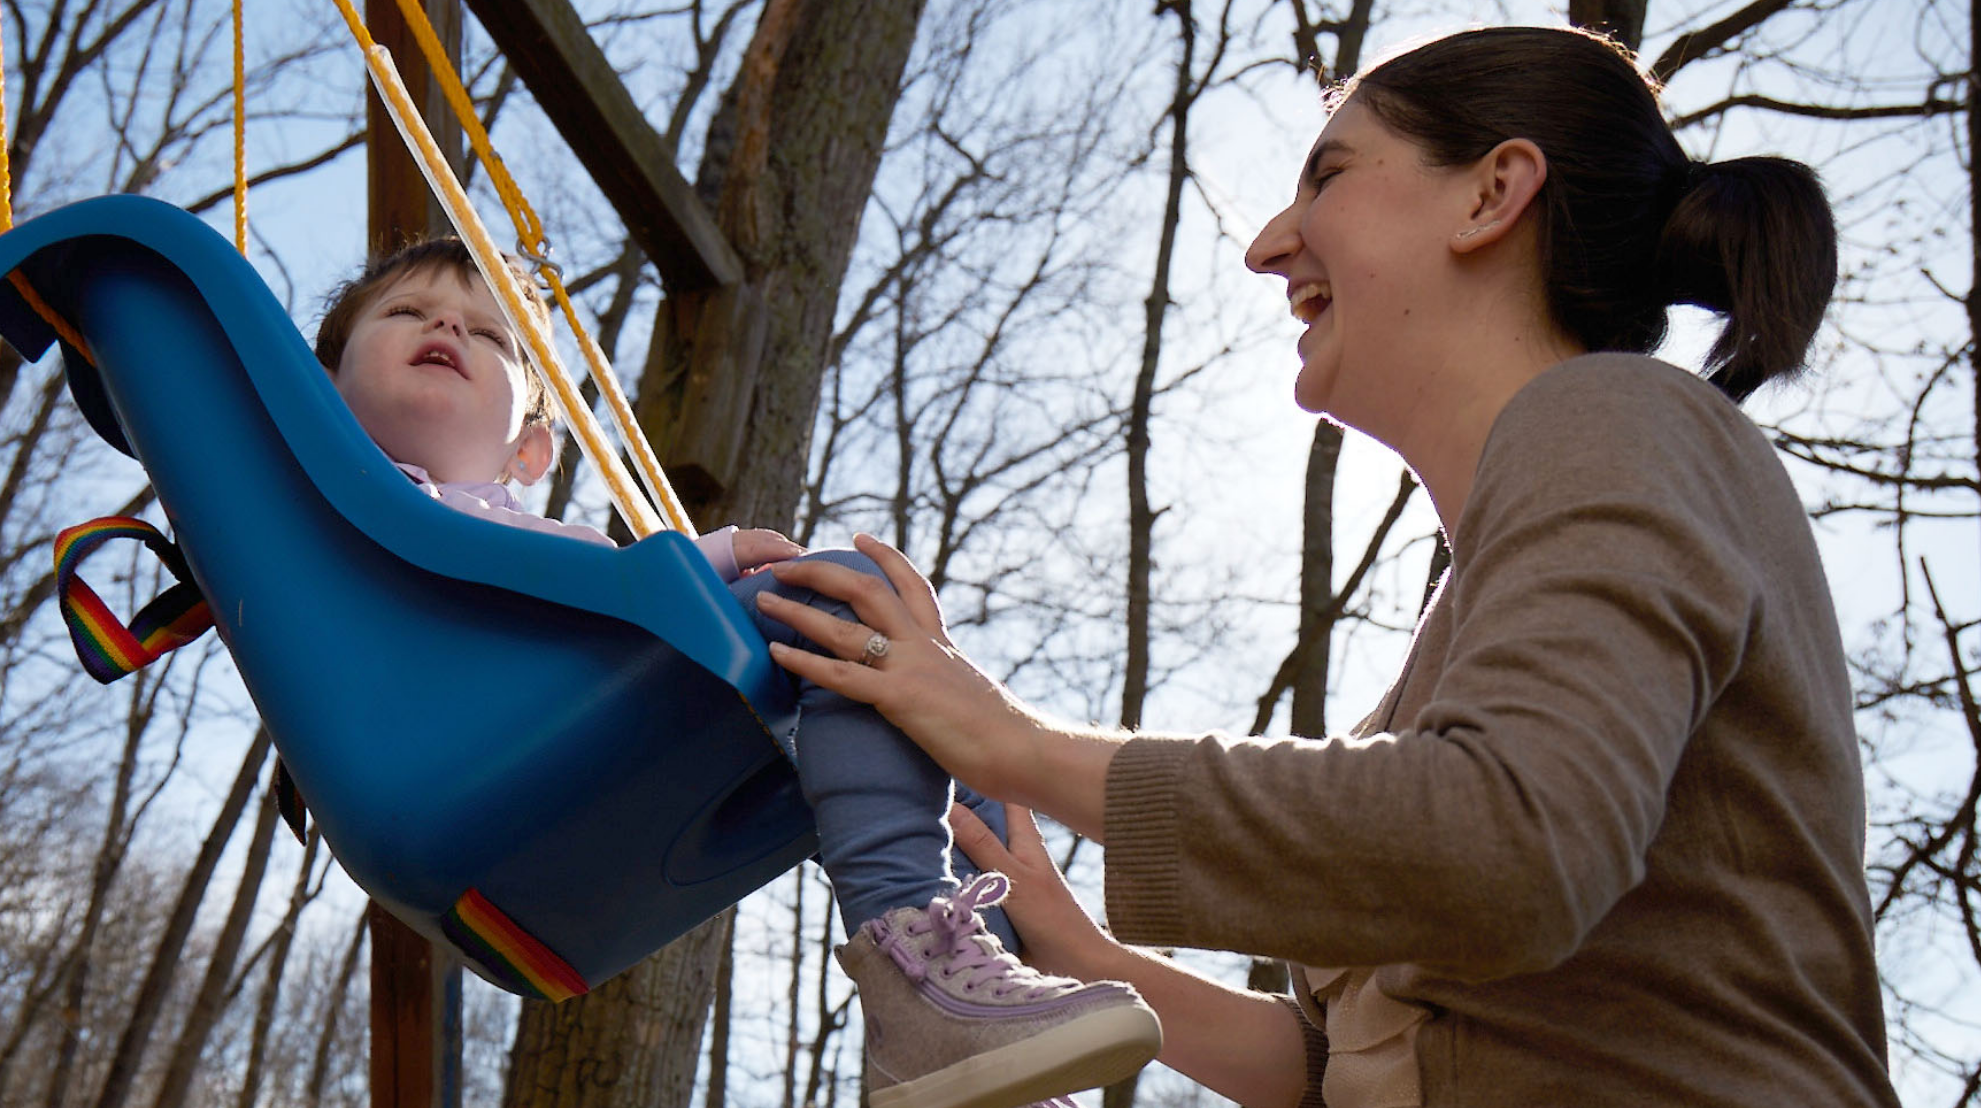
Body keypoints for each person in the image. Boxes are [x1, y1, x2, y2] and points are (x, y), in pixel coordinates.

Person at [752, 26, 1899, 1108]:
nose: (1267, 245)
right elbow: (1343, 1067)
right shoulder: (1457, 641)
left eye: (1330, 177)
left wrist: (1019, 747)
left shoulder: (1622, 412)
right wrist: (1076, 948)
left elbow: (1511, 842)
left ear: (1493, 192)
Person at [307, 240, 1162, 1108]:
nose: (447, 322)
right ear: (320, 387)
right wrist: (708, 562)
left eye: (490, 335)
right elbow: (562, 600)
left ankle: (980, 1031)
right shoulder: (344, 504)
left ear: (529, 448)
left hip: (573, 751)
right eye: (406, 313)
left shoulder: (527, 532)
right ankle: (913, 966)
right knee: (846, 601)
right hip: (490, 745)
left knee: (943, 747)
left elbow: (591, 594)